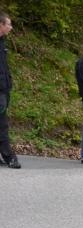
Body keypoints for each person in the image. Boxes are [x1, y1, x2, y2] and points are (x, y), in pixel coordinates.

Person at [0, 12, 19, 169]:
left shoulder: (2, 43)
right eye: (9, 24)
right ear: (1, 25)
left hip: (4, 89)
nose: (11, 27)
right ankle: (9, 157)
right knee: (2, 124)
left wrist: (8, 82)